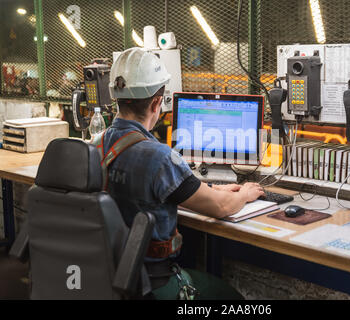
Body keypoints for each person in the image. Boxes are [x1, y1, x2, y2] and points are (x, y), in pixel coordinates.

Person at [95, 47, 265, 300]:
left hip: (106, 275)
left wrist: (212, 188)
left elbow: (163, 187)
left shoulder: (96, 144)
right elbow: (221, 208)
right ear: (156, 103)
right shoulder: (159, 157)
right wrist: (246, 194)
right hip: (152, 283)